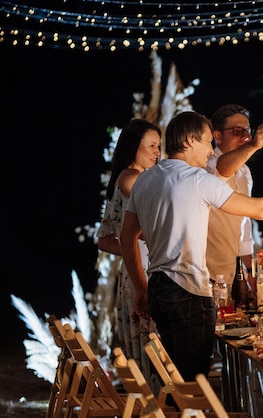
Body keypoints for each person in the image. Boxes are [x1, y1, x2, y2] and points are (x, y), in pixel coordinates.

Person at [119, 111, 263, 381]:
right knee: (193, 381)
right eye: (208, 142)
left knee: (173, 379)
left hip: (159, 289)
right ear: (188, 141)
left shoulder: (147, 180)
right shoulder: (196, 180)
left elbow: (126, 238)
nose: (211, 151)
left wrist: (141, 287)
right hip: (188, 291)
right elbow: (262, 208)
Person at [96, 119, 161, 388]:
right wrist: (142, 245)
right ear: (133, 147)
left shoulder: (128, 177)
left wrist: (131, 246)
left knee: (147, 350)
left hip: (134, 269)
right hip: (141, 274)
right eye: (152, 146)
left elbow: (105, 240)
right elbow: (151, 229)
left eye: (159, 146)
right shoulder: (133, 180)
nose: (157, 152)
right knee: (152, 351)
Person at [205, 104, 263, 294]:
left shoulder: (245, 172)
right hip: (207, 269)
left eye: (248, 131)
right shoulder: (207, 165)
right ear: (218, 136)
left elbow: (244, 224)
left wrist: (250, 269)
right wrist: (254, 144)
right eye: (237, 131)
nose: (245, 137)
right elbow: (222, 168)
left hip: (234, 267)